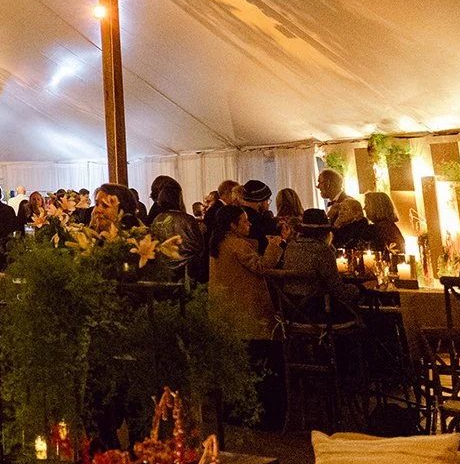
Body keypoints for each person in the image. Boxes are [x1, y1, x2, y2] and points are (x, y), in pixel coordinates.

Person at [207, 202, 284, 428]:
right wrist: (276, 245)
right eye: (244, 220)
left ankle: (234, 413)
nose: (248, 224)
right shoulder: (237, 246)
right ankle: (263, 417)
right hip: (247, 312)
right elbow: (262, 267)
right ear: (233, 225)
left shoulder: (218, 244)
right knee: (258, 362)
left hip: (226, 312)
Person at [277, 209, 360, 311]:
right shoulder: (322, 250)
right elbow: (338, 291)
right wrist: (358, 288)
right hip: (321, 311)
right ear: (325, 232)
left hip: (291, 312)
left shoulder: (290, 246)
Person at [146, 176, 202, 278]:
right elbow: (197, 246)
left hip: (163, 272)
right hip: (186, 273)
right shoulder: (187, 219)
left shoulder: (157, 218)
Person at [362, 191, 405, 256]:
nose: (364, 208)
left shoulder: (382, 228)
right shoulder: (389, 226)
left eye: (366, 204)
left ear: (376, 207)